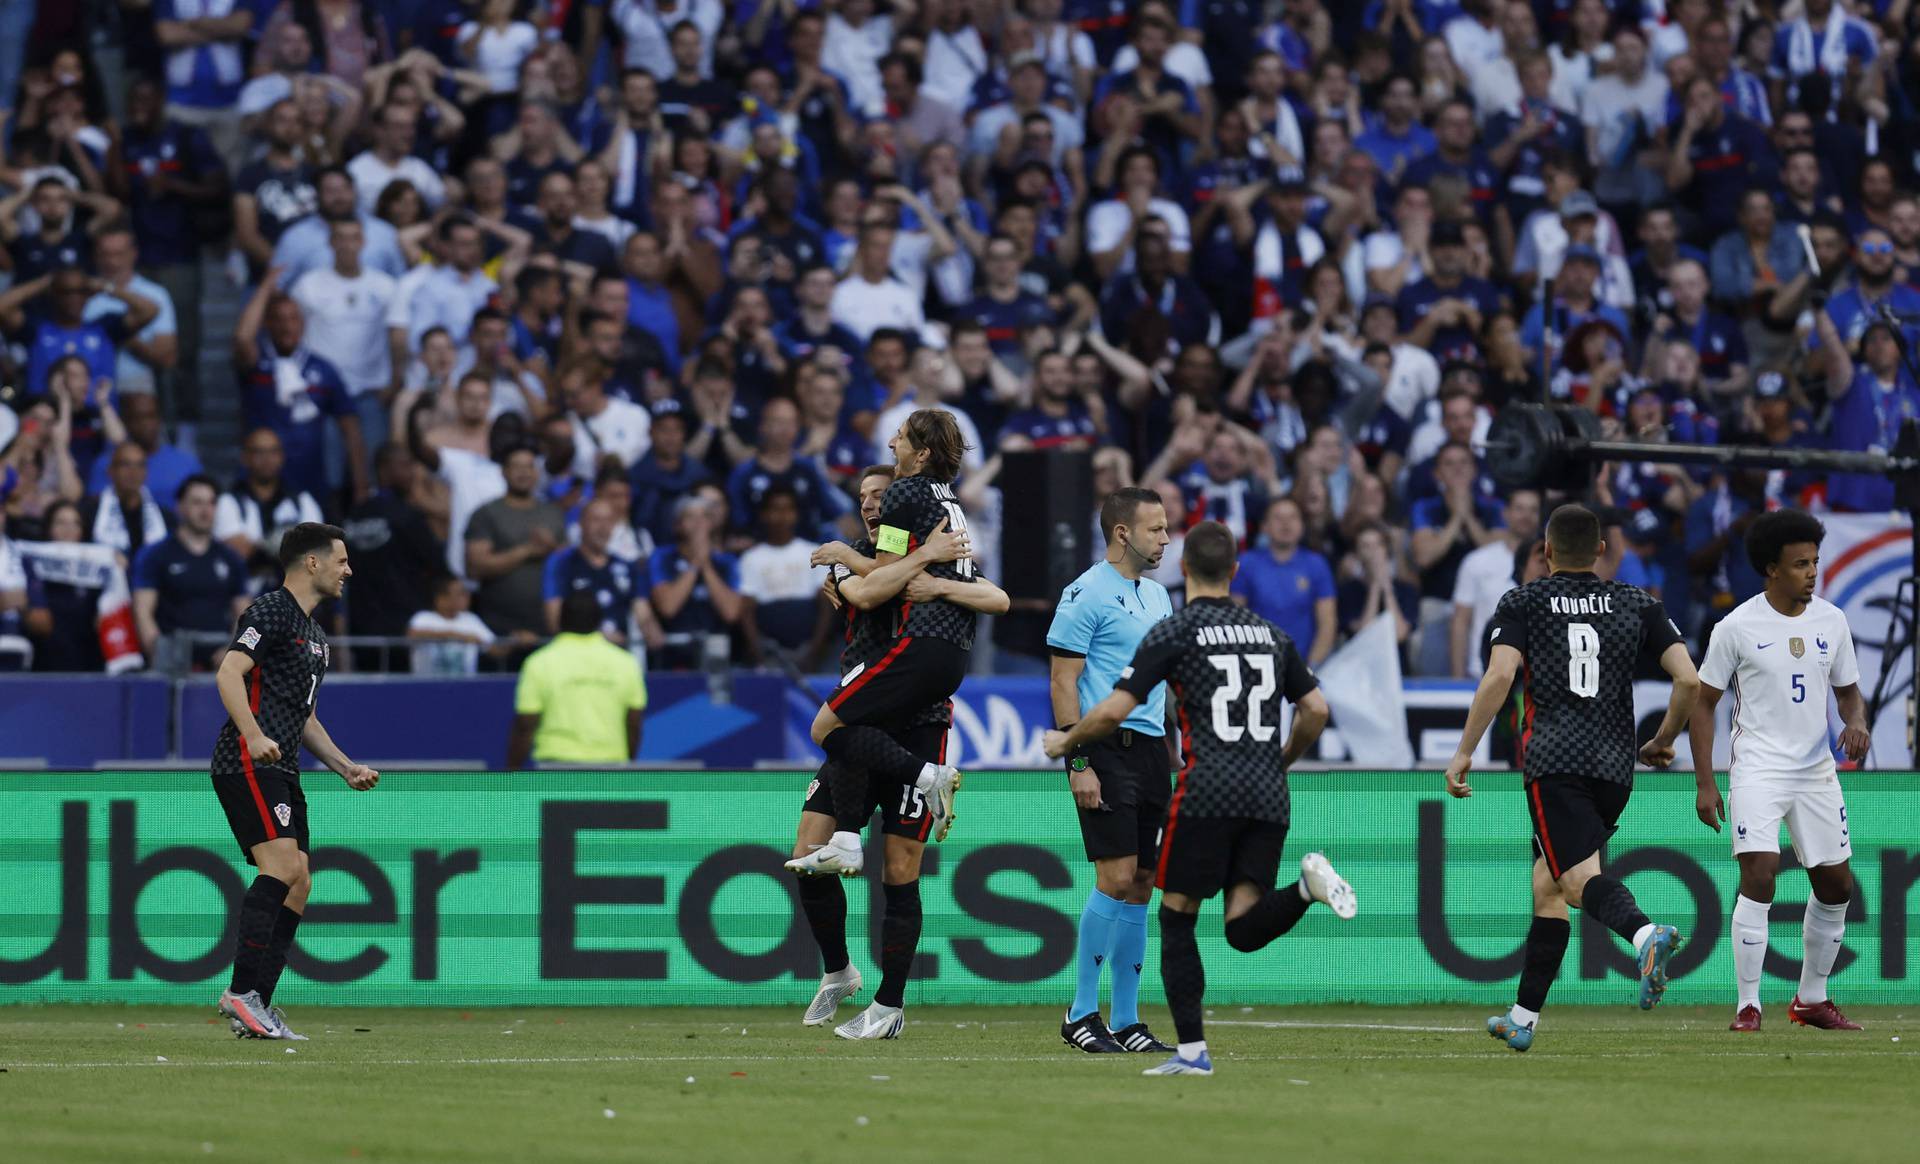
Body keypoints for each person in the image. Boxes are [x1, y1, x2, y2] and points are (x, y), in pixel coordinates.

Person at [1041, 519, 1354, 1077]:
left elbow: (1113, 706)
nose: (1162, 540)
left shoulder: (1175, 625)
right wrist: (1282, 759)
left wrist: (1067, 742)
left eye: (1169, 535)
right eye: (1154, 528)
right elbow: (1318, 711)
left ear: (1186, 571)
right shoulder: (1270, 633)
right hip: (1268, 791)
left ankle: (1186, 1051)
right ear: (1236, 572)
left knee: (1176, 912)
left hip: (1203, 784)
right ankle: (1306, 889)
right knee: (1238, 924)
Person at [1445, 505, 1700, 1052]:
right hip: (1614, 766)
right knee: (1548, 885)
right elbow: (1688, 679)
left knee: (1576, 883)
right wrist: (1663, 739)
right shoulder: (1637, 602)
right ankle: (1522, 1017)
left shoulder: (1524, 601)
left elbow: (1500, 674)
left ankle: (1644, 934)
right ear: (1602, 550)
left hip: (1555, 762)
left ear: (1547, 550)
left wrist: (1464, 750)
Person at [787, 462, 1008, 1037]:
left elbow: (994, 595)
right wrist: (909, 561)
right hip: (868, 712)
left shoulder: (938, 551)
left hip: (920, 717)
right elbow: (868, 587)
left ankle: (889, 1006)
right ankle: (838, 970)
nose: (869, 505)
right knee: (807, 853)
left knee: (901, 868)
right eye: (862, 496)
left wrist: (935, 574)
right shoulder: (874, 555)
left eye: (880, 495)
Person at [1688, 510, 1871, 1033]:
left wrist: (1855, 722)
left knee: (1837, 886)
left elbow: (1848, 692)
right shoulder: (1737, 627)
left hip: (1816, 771)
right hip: (1759, 769)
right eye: (1799, 564)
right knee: (1760, 874)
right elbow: (1704, 705)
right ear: (1771, 570)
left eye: (1814, 561)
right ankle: (1749, 1004)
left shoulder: (1831, 621)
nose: (1811, 572)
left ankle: (1811, 999)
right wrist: (1705, 782)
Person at [211, 522, 379, 1041]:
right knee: (282, 867)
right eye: (342, 560)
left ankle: (257, 1003)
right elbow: (228, 672)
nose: (348, 569)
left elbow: (303, 717)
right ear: (312, 562)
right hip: (248, 760)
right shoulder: (271, 611)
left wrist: (344, 764)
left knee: (300, 880)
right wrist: (254, 734)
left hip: (282, 766)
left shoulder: (316, 638)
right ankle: (240, 993)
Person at [1046, 485, 1176, 1055]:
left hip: (1151, 751)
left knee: (1144, 883)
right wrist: (1078, 761)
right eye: (1157, 529)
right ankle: (1080, 1013)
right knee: (1115, 877)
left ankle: (1126, 1019)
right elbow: (1062, 681)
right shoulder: (1084, 594)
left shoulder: (1159, 597)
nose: (1167, 539)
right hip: (1103, 750)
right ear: (1123, 533)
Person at [506, 590, 648, 767]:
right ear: (599, 621)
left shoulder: (539, 663)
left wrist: (511, 771)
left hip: (556, 767)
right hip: (610, 766)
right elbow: (634, 723)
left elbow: (525, 724)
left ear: (561, 619)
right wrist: (629, 762)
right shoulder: (626, 663)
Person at [131, 475, 249, 667]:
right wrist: (159, 653)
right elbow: (143, 611)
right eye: (197, 502)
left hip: (219, 658)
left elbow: (244, 613)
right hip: (172, 656)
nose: (205, 510)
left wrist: (233, 652)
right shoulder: (155, 555)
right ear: (180, 507)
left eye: (211, 503)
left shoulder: (231, 558)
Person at [464, 446, 565, 636]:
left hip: (547, 625)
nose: (524, 473)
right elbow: (475, 568)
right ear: (503, 472)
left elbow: (570, 562)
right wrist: (526, 550)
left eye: (529, 467)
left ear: (536, 472)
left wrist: (551, 547)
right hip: (498, 626)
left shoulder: (554, 513)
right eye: (517, 467)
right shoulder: (486, 513)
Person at [1450, 489, 1543, 679]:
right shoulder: (1477, 561)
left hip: (1538, 677)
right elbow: (1460, 621)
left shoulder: (1551, 565)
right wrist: (1458, 678)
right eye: (1519, 509)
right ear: (1506, 513)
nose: (1526, 516)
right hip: (1483, 672)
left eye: (1533, 510)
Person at [1231, 496, 1335, 665]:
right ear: (1264, 526)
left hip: (1305, 667)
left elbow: (1327, 623)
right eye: (1278, 518)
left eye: (1293, 517)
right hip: (1257, 666)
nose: (1286, 524)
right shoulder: (1246, 563)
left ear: (1302, 526)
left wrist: (1309, 671)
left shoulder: (1316, 564)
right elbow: (1235, 621)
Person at [407, 573, 499, 675]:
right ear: (441, 598)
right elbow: (412, 635)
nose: (467, 597)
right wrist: (456, 636)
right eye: (460, 593)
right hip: (427, 685)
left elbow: (496, 650)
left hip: (465, 686)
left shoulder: (471, 620)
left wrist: (515, 639)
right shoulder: (423, 618)